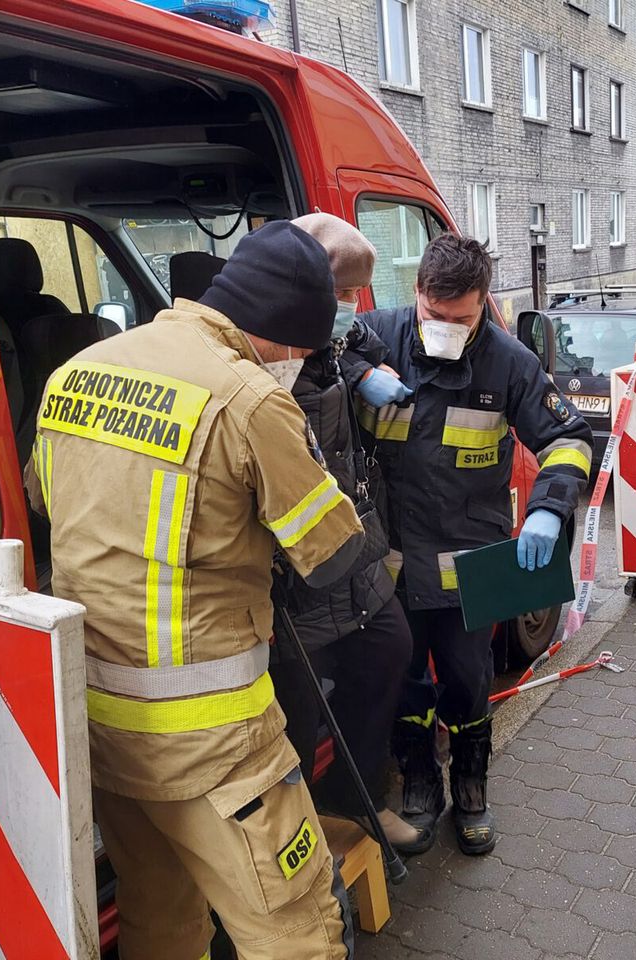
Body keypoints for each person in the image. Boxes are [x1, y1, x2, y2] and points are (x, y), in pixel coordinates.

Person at [26, 221, 364, 960]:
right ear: (280, 330)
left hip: (103, 729)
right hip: (216, 747)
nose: (303, 364)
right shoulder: (251, 400)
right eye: (304, 349)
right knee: (298, 933)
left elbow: (52, 504)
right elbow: (334, 557)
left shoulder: (76, 372)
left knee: (160, 924)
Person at [354, 234, 593, 856]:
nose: (444, 328)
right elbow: (317, 359)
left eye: (460, 318)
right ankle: (419, 787)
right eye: (433, 316)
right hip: (395, 562)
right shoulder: (377, 334)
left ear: (485, 303)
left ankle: (471, 788)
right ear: (417, 295)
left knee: (467, 679)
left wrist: (547, 509)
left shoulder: (508, 363)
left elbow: (568, 438)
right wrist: (358, 371)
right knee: (403, 683)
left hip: (469, 564)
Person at [271, 212, 426, 853]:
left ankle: (358, 801)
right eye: (336, 295)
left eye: (352, 297)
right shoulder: (266, 355)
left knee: (389, 649)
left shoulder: (336, 341)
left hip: (351, 559)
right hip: (294, 580)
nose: (346, 309)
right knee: (294, 719)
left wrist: (361, 369)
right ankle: (296, 847)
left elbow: (362, 338)